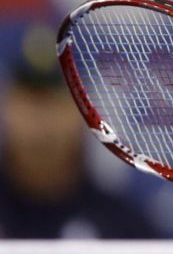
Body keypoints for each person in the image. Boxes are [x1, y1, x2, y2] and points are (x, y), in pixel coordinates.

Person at [0, 25, 159, 239]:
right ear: (7, 108)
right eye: (31, 101)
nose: (42, 119)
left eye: (56, 102)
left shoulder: (123, 230)